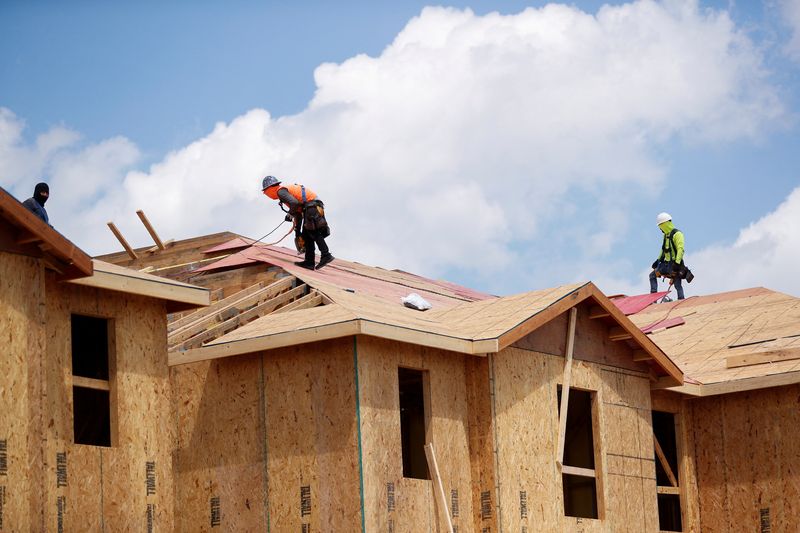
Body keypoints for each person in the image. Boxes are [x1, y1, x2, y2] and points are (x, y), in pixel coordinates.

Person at [261, 175, 334, 270]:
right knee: (307, 235)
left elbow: (294, 203)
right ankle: (309, 262)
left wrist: (289, 214)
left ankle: (326, 255)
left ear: (269, 189)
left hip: (312, 206)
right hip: (312, 207)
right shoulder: (283, 192)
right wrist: (297, 232)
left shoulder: (280, 191)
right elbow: (298, 214)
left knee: (313, 232)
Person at [649, 212, 687, 300]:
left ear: (664, 224)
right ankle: (652, 299)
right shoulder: (666, 236)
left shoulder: (677, 234)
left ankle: (681, 301)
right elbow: (663, 249)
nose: (660, 229)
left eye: (660, 226)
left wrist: (677, 263)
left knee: (678, 285)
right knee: (652, 275)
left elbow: (680, 249)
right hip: (666, 265)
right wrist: (658, 261)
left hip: (674, 265)